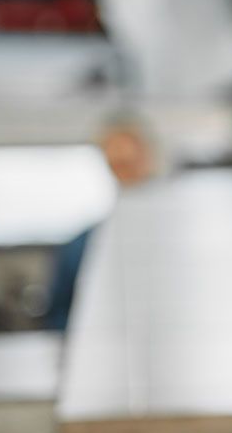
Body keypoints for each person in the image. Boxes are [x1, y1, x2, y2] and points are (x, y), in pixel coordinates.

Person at [43, 117, 158, 333]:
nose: (126, 172)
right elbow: (59, 317)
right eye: (117, 164)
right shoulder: (80, 246)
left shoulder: (173, 237)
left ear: (148, 158)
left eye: (131, 162)